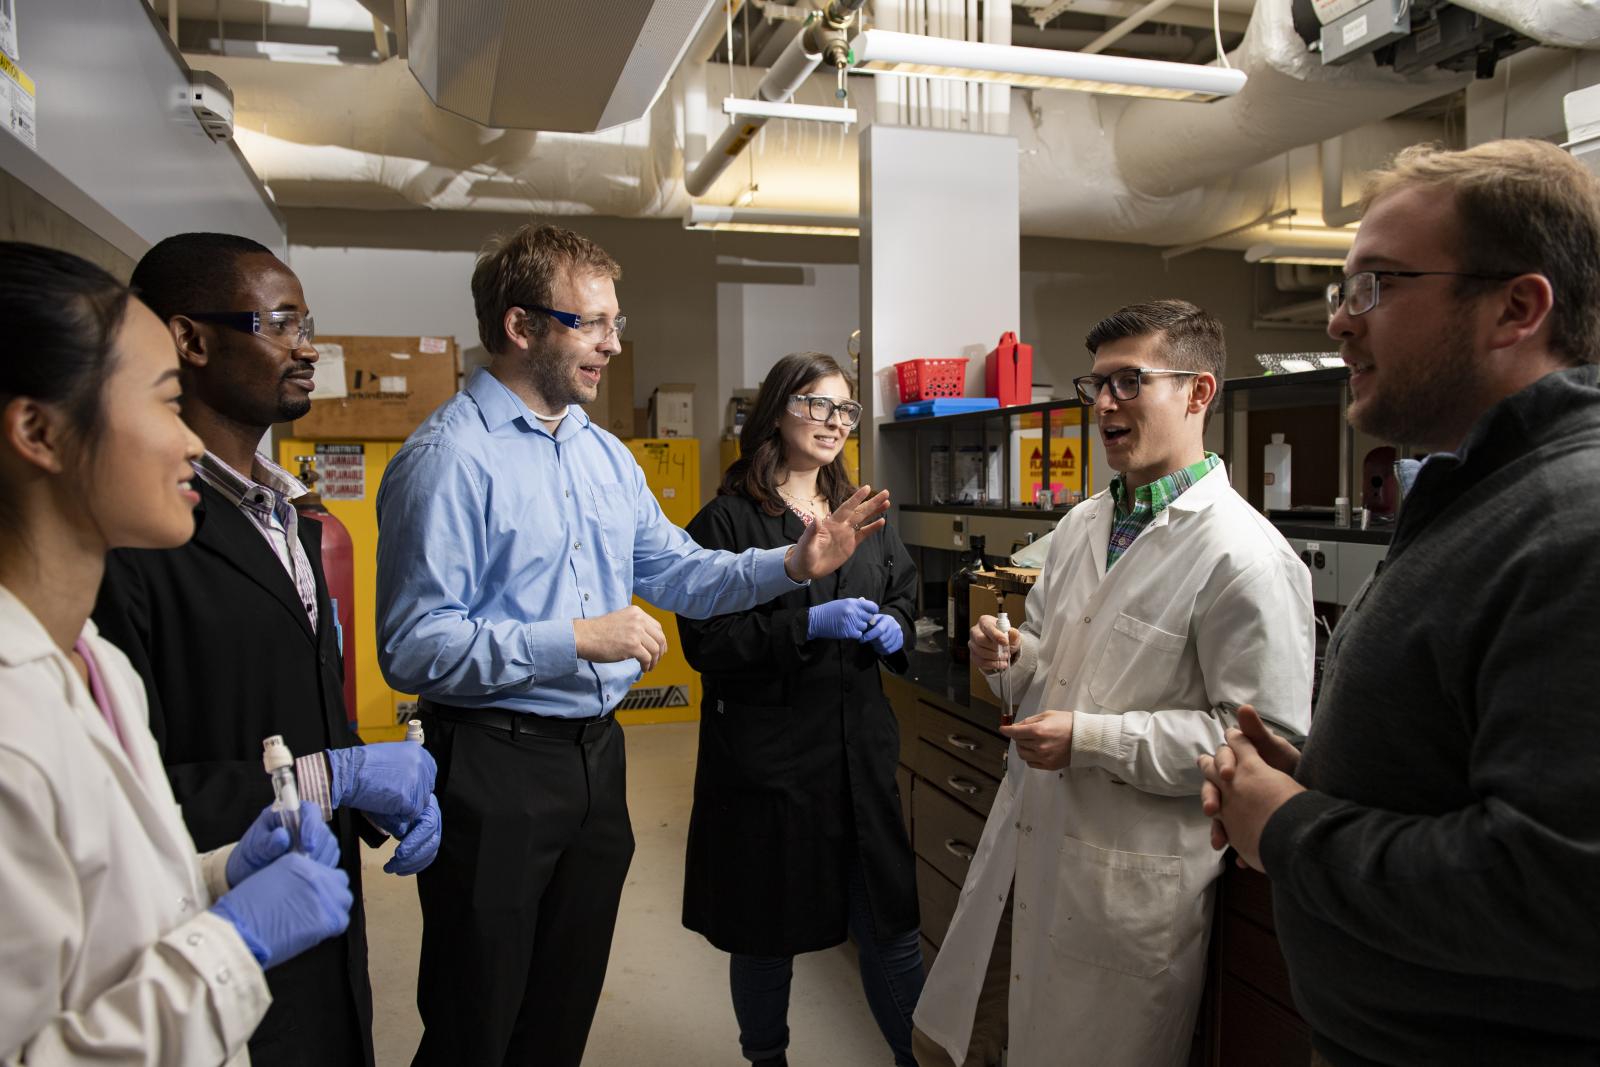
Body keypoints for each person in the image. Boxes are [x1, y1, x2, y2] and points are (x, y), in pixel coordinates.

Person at [374, 222, 891, 1066]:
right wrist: (574, 638)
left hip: (595, 764)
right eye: (595, 323)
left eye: (617, 321)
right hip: (493, 770)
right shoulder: (447, 458)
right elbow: (415, 645)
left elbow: (683, 572)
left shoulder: (603, 456)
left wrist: (793, 561)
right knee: (478, 1016)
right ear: (520, 326)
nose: (616, 343)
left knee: (560, 1011)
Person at [1199, 139, 1600, 1067]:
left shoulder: (1572, 525)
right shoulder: (1488, 498)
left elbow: (1559, 891)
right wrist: (1324, 779)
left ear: (1517, 307)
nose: (1340, 323)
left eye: (1375, 285)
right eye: (1343, 291)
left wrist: (1290, 827)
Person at [914, 300, 1315, 1067]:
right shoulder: (1083, 524)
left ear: (1198, 393)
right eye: (1095, 384)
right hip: (1027, 850)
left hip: (1124, 888)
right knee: (966, 1044)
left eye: (1129, 382)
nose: (1103, 405)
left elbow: (1254, 747)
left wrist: (1088, 737)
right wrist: (1013, 655)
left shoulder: (1247, 558)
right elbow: (1059, 652)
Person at [91, 233, 441, 1067]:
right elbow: (130, 792)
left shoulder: (293, 517)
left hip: (318, 904)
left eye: (306, 321)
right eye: (281, 322)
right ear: (191, 340)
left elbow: (295, 704)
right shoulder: (132, 539)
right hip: (201, 933)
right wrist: (335, 776)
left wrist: (367, 781)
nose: (308, 346)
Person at [0, 241, 354, 1063]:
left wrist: (220, 874)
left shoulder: (90, 662)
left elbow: (101, 914)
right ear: (39, 430)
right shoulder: (11, 733)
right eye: (164, 403)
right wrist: (233, 942)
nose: (192, 443)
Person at [676, 352, 924, 1067]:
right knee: (765, 931)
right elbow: (706, 638)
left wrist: (898, 627)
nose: (833, 422)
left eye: (844, 410)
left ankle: (920, 1056)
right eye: (816, 404)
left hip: (858, 755)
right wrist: (806, 625)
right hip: (769, 764)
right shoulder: (725, 521)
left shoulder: (864, 513)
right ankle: (767, 1057)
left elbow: (904, 590)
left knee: (889, 922)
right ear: (776, 411)